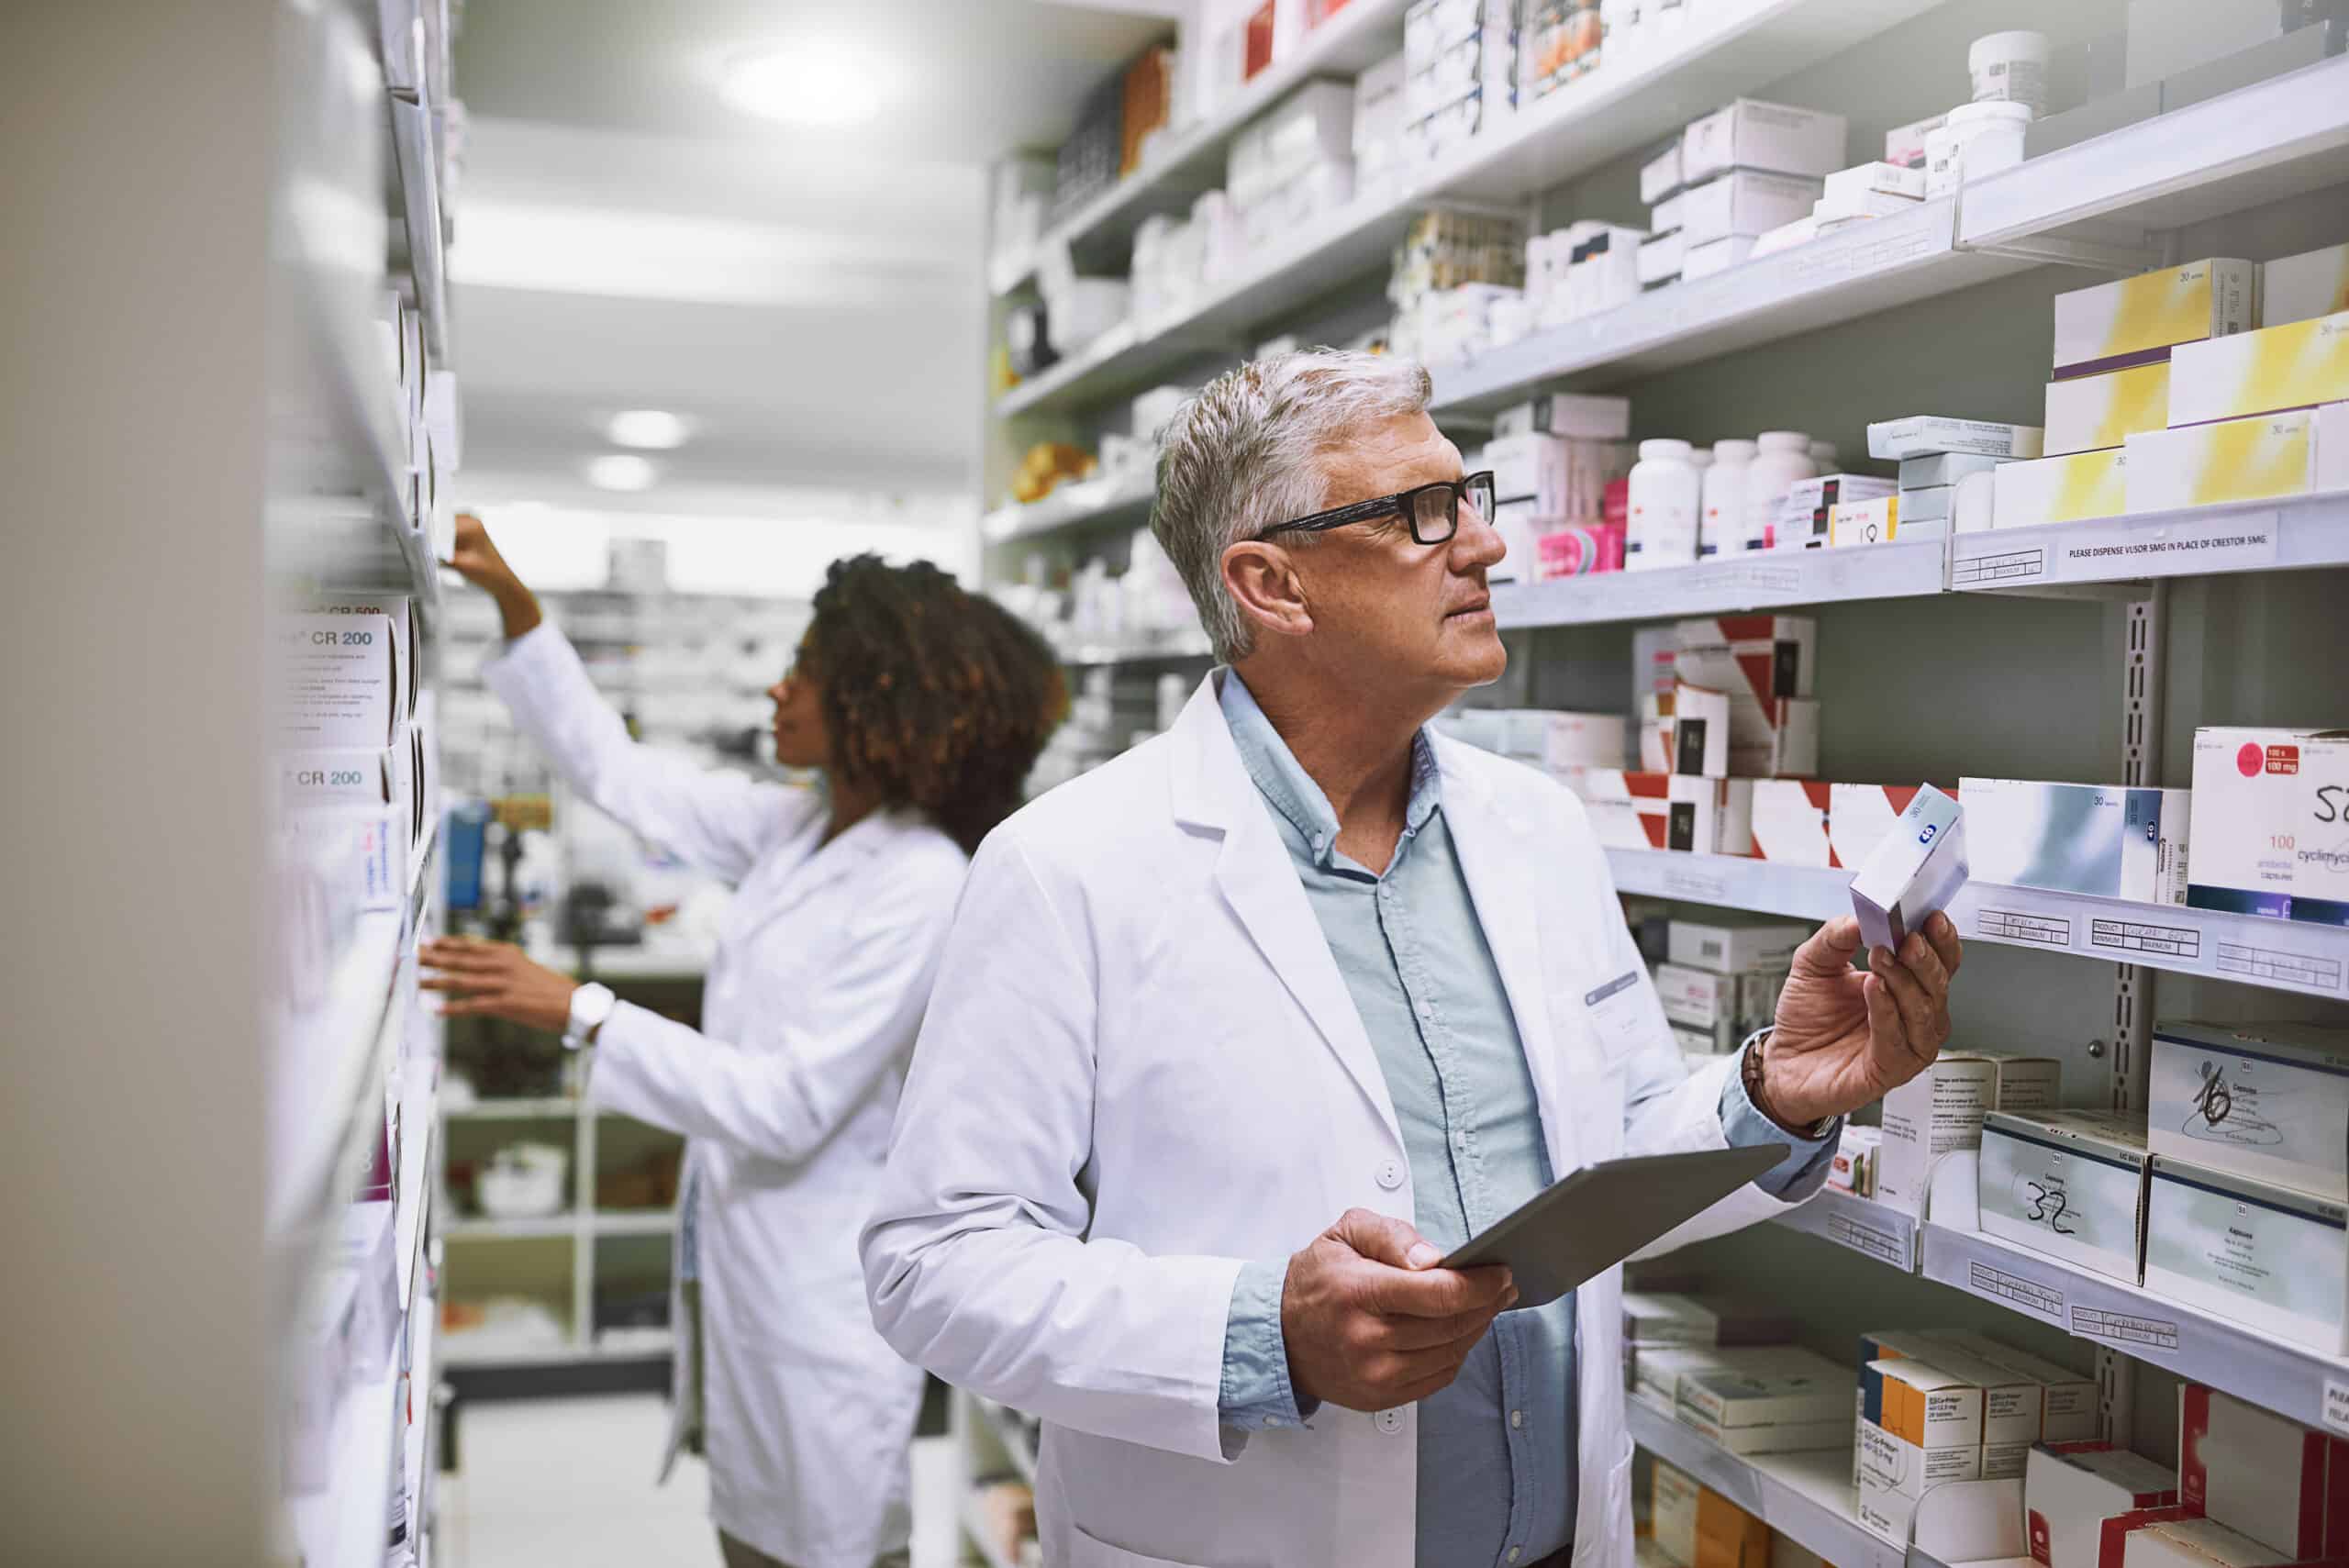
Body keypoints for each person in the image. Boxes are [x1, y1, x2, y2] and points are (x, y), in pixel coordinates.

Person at [863, 350, 1962, 1568]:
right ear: (1273, 584)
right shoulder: (1066, 868)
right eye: (1422, 513)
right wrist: (1263, 1337)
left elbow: (1602, 1163)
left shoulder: (1535, 826)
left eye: (1471, 494)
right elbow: (933, 1262)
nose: (1485, 546)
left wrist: (1769, 1096)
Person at [425, 517, 1064, 1568]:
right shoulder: (798, 825)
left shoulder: (919, 881)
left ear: (875, 703)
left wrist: (577, 1008)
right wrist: (521, 616)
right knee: (755, 1538)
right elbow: (621, 776)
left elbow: (787, 1102)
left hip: (820, 1294)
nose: (778, 690)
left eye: (805, 671)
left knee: (836, 1542)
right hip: (750, 1267)